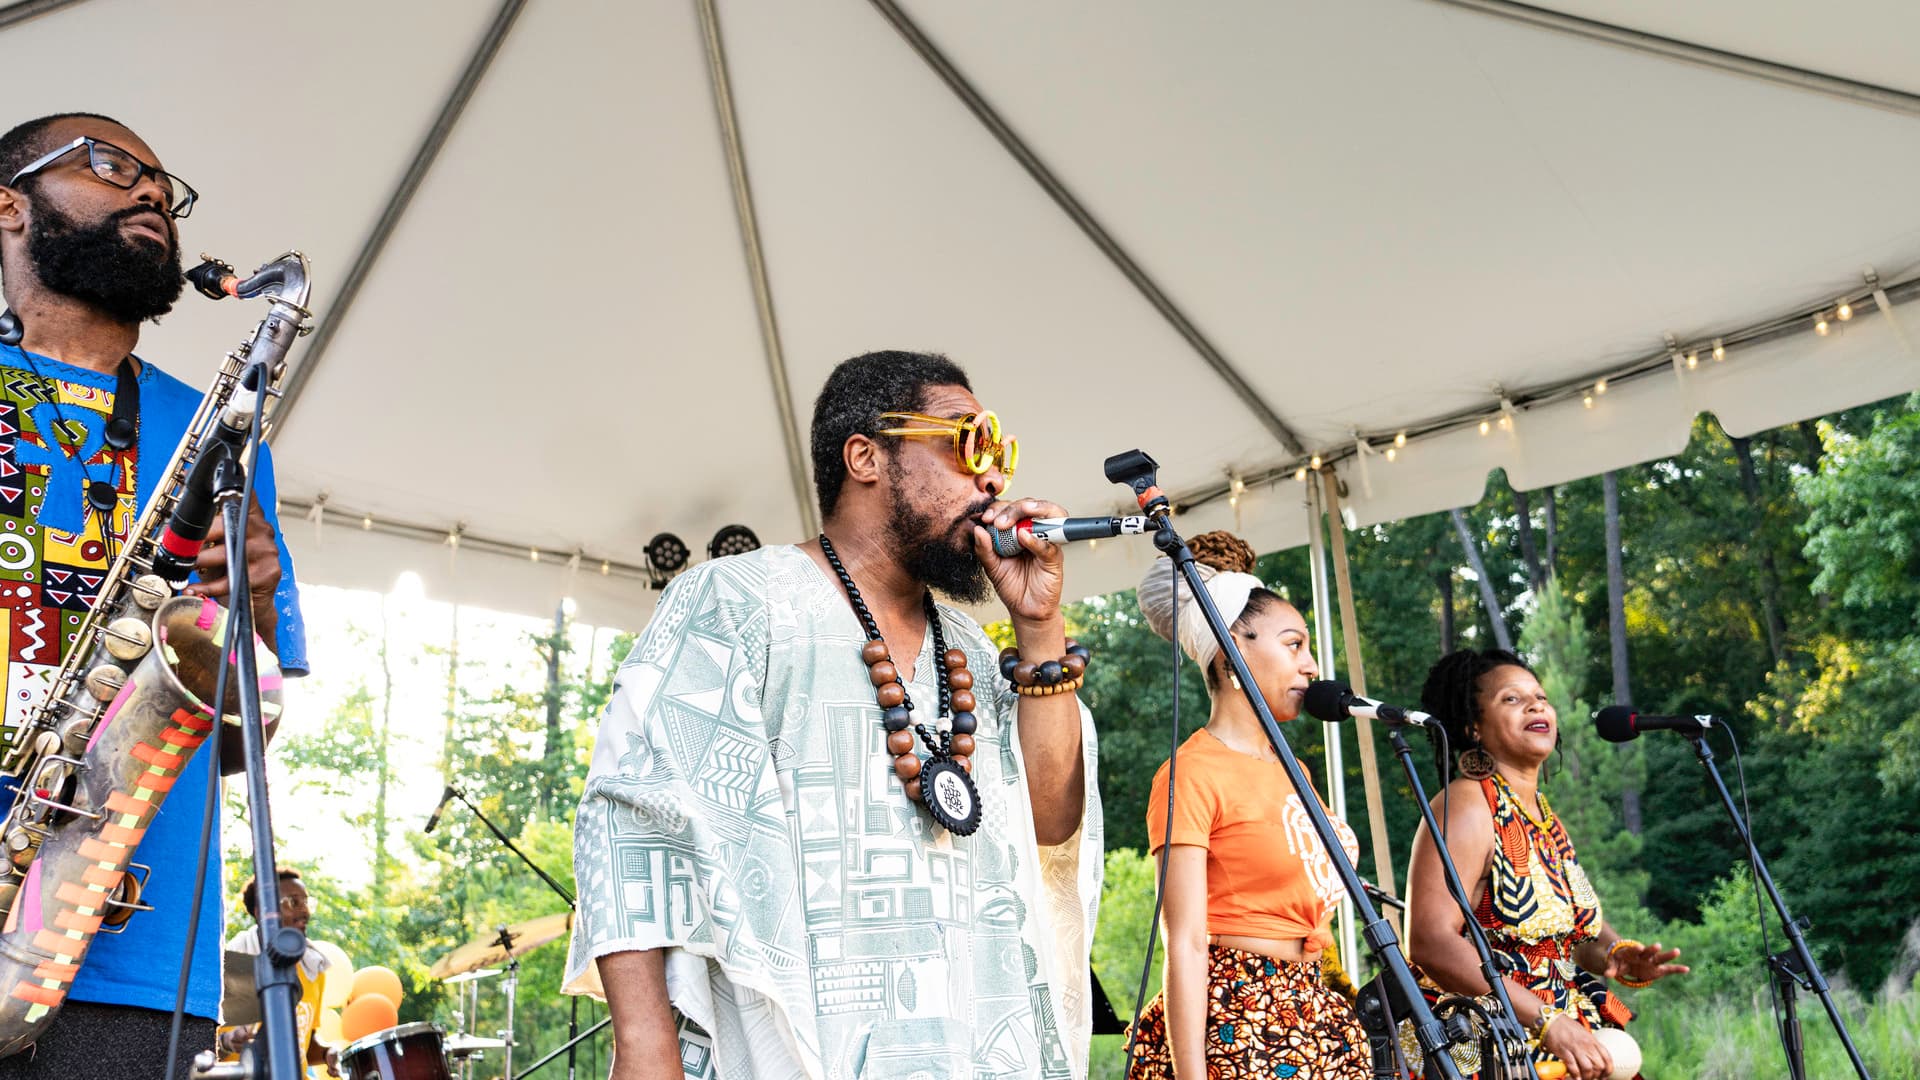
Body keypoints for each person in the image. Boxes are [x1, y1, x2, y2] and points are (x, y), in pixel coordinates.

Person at [565, 350, 1101, 1079]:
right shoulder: (734, 600)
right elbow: (630, 818)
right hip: (792, 1047)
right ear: (865, 458)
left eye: (1000, 452)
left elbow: (1048, 824)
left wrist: (1039, 626)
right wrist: (647, 1045)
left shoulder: (974, 649)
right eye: (967, 442)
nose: (995, 477)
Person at [0, 111, 307, 1077]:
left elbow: (240, 733)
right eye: (111, 164)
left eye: (164, 187)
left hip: (136, 946)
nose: (149, 193)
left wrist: (249, 610)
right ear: (9, 208)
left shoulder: (219, 434)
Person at [1124, 531, 1371, 1080]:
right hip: (1239, 1014)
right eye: (1294, 644)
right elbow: (1184, 941)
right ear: (1234, 645)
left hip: (1316, 1007)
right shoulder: (1189, 773)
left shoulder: (1295, 770)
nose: (1311, 666)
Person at [1405, 650, 1685, 1080]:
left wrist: (1616, 952)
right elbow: (1429, 942)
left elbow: (1567, 938)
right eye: (1511, 699)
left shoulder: (1542, 815)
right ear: (1472, 727)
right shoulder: (1465, 803)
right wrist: (1545, 1020)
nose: (1537, 705)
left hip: (1560, 1036)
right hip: (1495, 1044)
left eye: (1540, 696)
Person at [219, 869, 338, 1076]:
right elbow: (198, 1045)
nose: (305, 911)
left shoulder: (313, 966)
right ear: (261, 911)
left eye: (306, 902)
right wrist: (227, 1042)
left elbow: (304, 1044)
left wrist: (328, 1052)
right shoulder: (232, 964)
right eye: (293, 902)